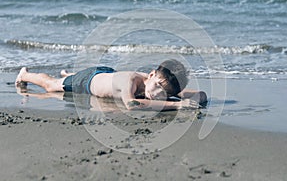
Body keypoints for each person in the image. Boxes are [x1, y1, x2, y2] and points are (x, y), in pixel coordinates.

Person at [15, 59, 207, 111]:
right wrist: (177, 104)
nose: (158, 95)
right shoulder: (130, 81)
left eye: (165, 93)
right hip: (87, 81)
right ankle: (25, 74)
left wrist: (190, 95)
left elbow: (201, 95)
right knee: (51, 86)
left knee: (73, 76)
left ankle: (69, 73)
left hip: (106, 73)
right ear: (150, 74)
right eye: (157, 86)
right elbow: (131, 105)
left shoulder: (151, 88)